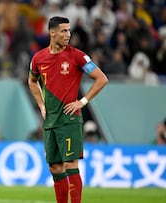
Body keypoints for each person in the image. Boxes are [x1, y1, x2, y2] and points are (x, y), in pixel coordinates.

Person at [28, 16, 108, 203]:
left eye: (69, 30)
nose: (68, 34)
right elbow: (31, 81)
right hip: (50, 121)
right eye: (64, 31)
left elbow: (101, 78)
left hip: (69, 119)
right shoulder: (39, 58)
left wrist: (82, 101)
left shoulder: (77, 56)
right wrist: (41, 104)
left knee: (71, 164)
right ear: (52, 32)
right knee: (55, 167)